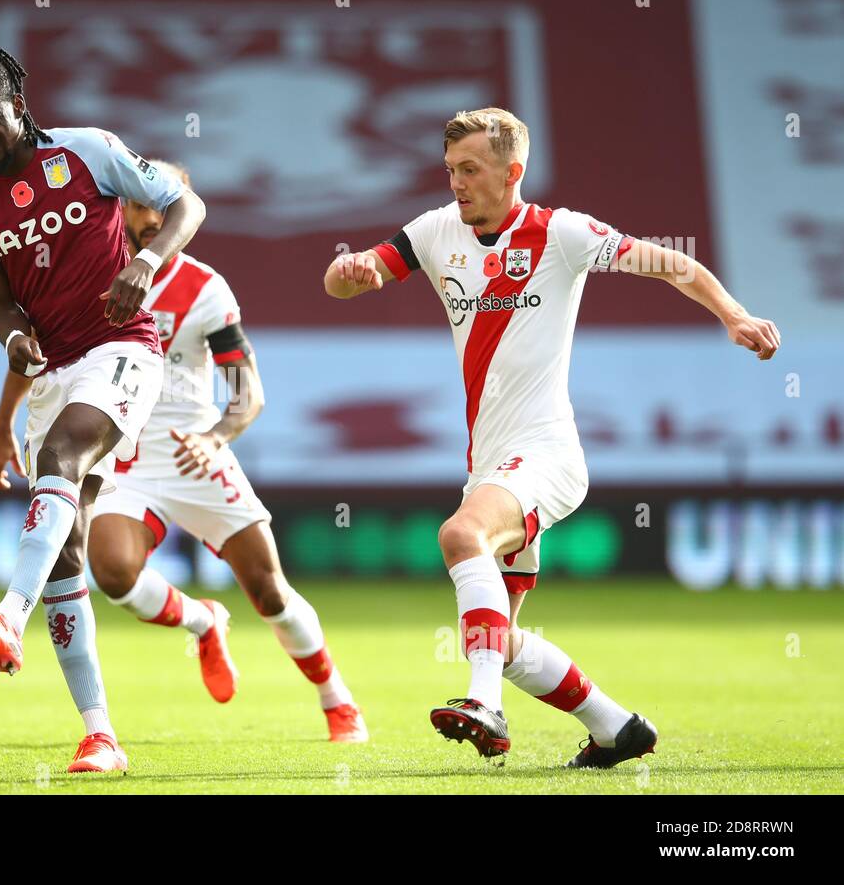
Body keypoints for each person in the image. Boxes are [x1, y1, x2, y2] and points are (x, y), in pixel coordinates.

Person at [323, 107, 780, 766]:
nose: (456, 182)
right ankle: (615, 727)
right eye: (450, 169)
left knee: (459, 536)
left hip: (546, 454)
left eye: (471, 169)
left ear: (512, 172)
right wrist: (352, 271)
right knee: (496, 639)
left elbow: (670, 264)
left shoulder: (560, 234)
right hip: (489, 462)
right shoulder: (432, 233)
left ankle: (484, 706)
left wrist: (734, 316)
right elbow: (344, 279)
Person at [0, 160, 367, 743]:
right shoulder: (85, 273)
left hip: (191, 451)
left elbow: (246, 391)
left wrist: (216, 437)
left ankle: (336, 699)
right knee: (111, 572)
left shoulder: (205, 289)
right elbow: (37, 353)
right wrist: (1, 421)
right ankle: (202, 620)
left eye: (162, 206)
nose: (150, 217)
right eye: (138, 205)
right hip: (121, 453)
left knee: (267, 589)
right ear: (121, 207)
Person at [0, 46, 206, 773]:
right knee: (66, 558)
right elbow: (0, 305)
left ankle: (7, 616)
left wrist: (145, 263)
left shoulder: (87, 151)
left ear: (19, 106)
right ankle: (101, 736)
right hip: (54, 371)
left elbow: (189, 204)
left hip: (124, 349)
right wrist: (15, 335)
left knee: (62, 457)